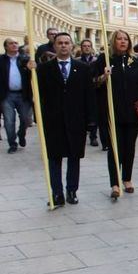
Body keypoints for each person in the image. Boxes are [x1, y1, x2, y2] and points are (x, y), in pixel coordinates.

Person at [33, 32, 97, 207]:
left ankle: (71, 190)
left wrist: (91, 119)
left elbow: (89, 95)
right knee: (54, 158)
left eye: (66, 43)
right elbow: (38, 95)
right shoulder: (44, 69)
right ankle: (57, 193)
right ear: (54, 46)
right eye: (59, 43)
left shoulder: (83, 68)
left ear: (71, 46)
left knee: (74, 157)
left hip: (76, 120)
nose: (63, 45)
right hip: (53, 121)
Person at [93, 30, 138, 200]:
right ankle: (114, 183)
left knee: (130, 147)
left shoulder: (135, 61)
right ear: (113, 41)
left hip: (133, 112)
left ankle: (127, 178)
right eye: (119, 39)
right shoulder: (104, 60)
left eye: (125, 39)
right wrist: (103, 77)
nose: (122, 42)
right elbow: (93, 82)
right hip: (112, 111)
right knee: (115, 148)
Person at [1, 38, 32, 154]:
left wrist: (31, 68)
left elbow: (32, 75)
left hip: (23, 94)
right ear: (6, 47)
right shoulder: (1, 60)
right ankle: (12, 143)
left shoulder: (25, 59)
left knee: (26, 119)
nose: (14, 45)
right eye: (11, 43)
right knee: (9, 121)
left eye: (16, 43)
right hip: (7, 95)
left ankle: (21, 134)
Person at [77, 39, 100, 147]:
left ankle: (93, 136)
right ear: (81, 48)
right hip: (80, 91)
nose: (86, 48)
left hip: (94, 90)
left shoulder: (96, 61)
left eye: (88, 46)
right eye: (84, 46)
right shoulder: (76, 61)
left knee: (93, 114)